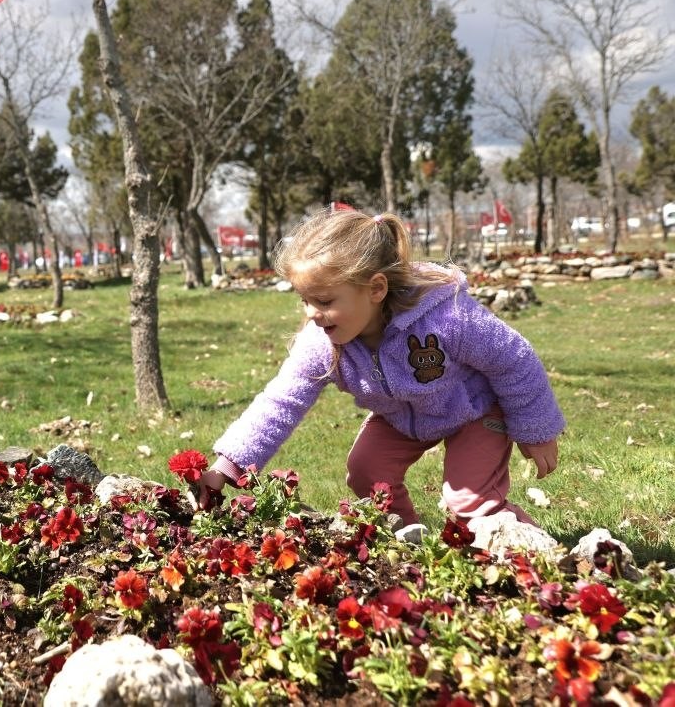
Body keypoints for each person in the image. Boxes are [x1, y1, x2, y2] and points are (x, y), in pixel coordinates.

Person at [199, 208, 564, 536]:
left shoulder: (446, 317)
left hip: (475, 410)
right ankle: (408, 537)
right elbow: (281, 401)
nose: (311, 313)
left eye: (324, 301)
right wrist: (227, 465)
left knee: (469, 503)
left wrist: (536, 429)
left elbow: (514, 358)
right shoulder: (323, 342)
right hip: (402, 417)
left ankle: (528, 554)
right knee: (366, 471)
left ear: (375, 288)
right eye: (304, 300)